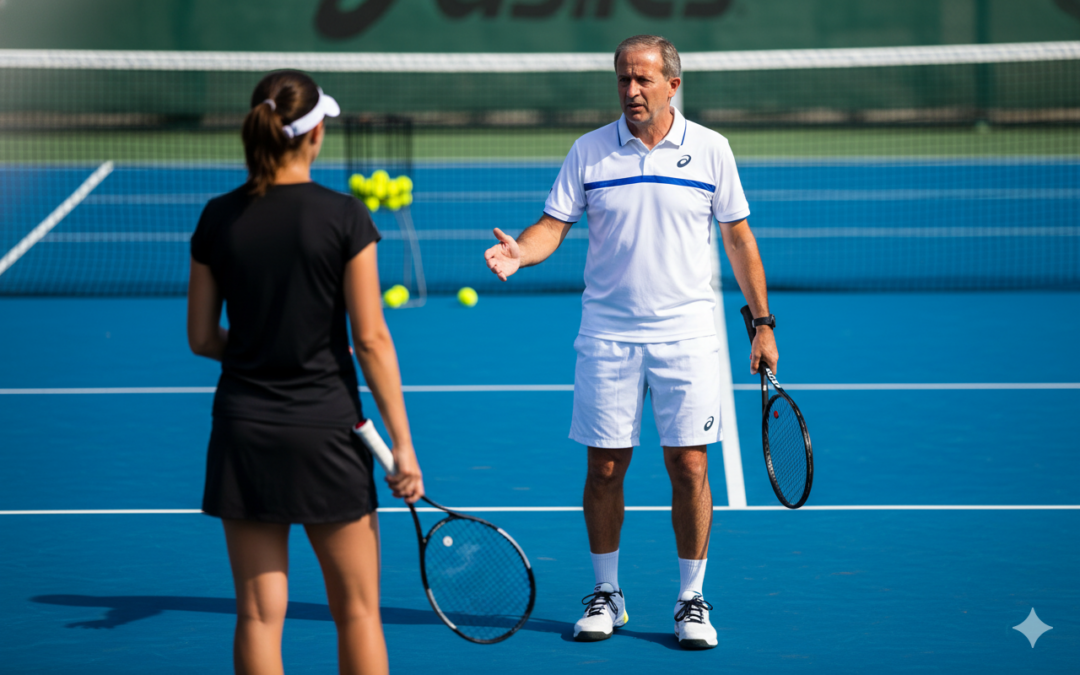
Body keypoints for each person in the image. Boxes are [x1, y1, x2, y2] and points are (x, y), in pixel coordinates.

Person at [483, 35, 778, 650]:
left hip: (690, 336)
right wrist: (522, 253)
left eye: (643, 80)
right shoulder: (589, 151)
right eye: (623, 79)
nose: (632, 90)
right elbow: (551, 227)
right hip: (608, 336)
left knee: (689, 464)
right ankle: (607, 594)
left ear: (674, 84)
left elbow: (739, 241)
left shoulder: (711, 151)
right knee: (605, 467)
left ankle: (691, 600)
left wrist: (763, 323)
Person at [187, 70, 423, 675]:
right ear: (315, 133)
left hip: (243, 431)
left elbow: (202, 338)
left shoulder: (217, 218)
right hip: (326, 434)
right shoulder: (345, 218)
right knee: (358, 613)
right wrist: (402, 445)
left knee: (259, 617)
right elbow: (369, 339)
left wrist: (264, 345)